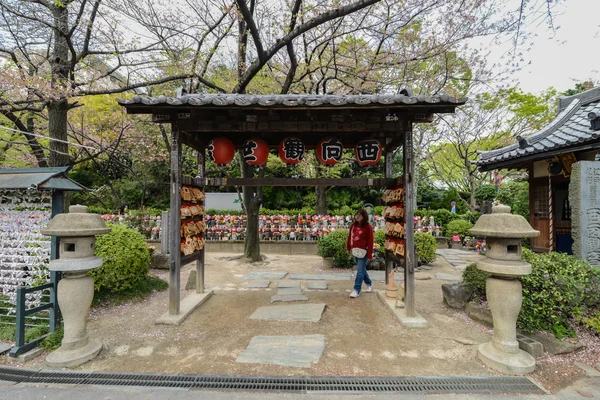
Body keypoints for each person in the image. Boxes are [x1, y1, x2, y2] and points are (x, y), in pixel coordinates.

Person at [346, 208, 374, 298]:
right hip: (355, 250)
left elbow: (371, 241)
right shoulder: (353, 226)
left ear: (364, 217)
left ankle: (356, 289)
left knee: (360, 271)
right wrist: (348, 247)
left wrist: (370, 254)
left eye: (360, 215)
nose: (357, 217)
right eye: (357, 214)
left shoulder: (368, 227)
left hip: (363, 252)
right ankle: (369, 283)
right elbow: (350, 237)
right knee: (362, 270)